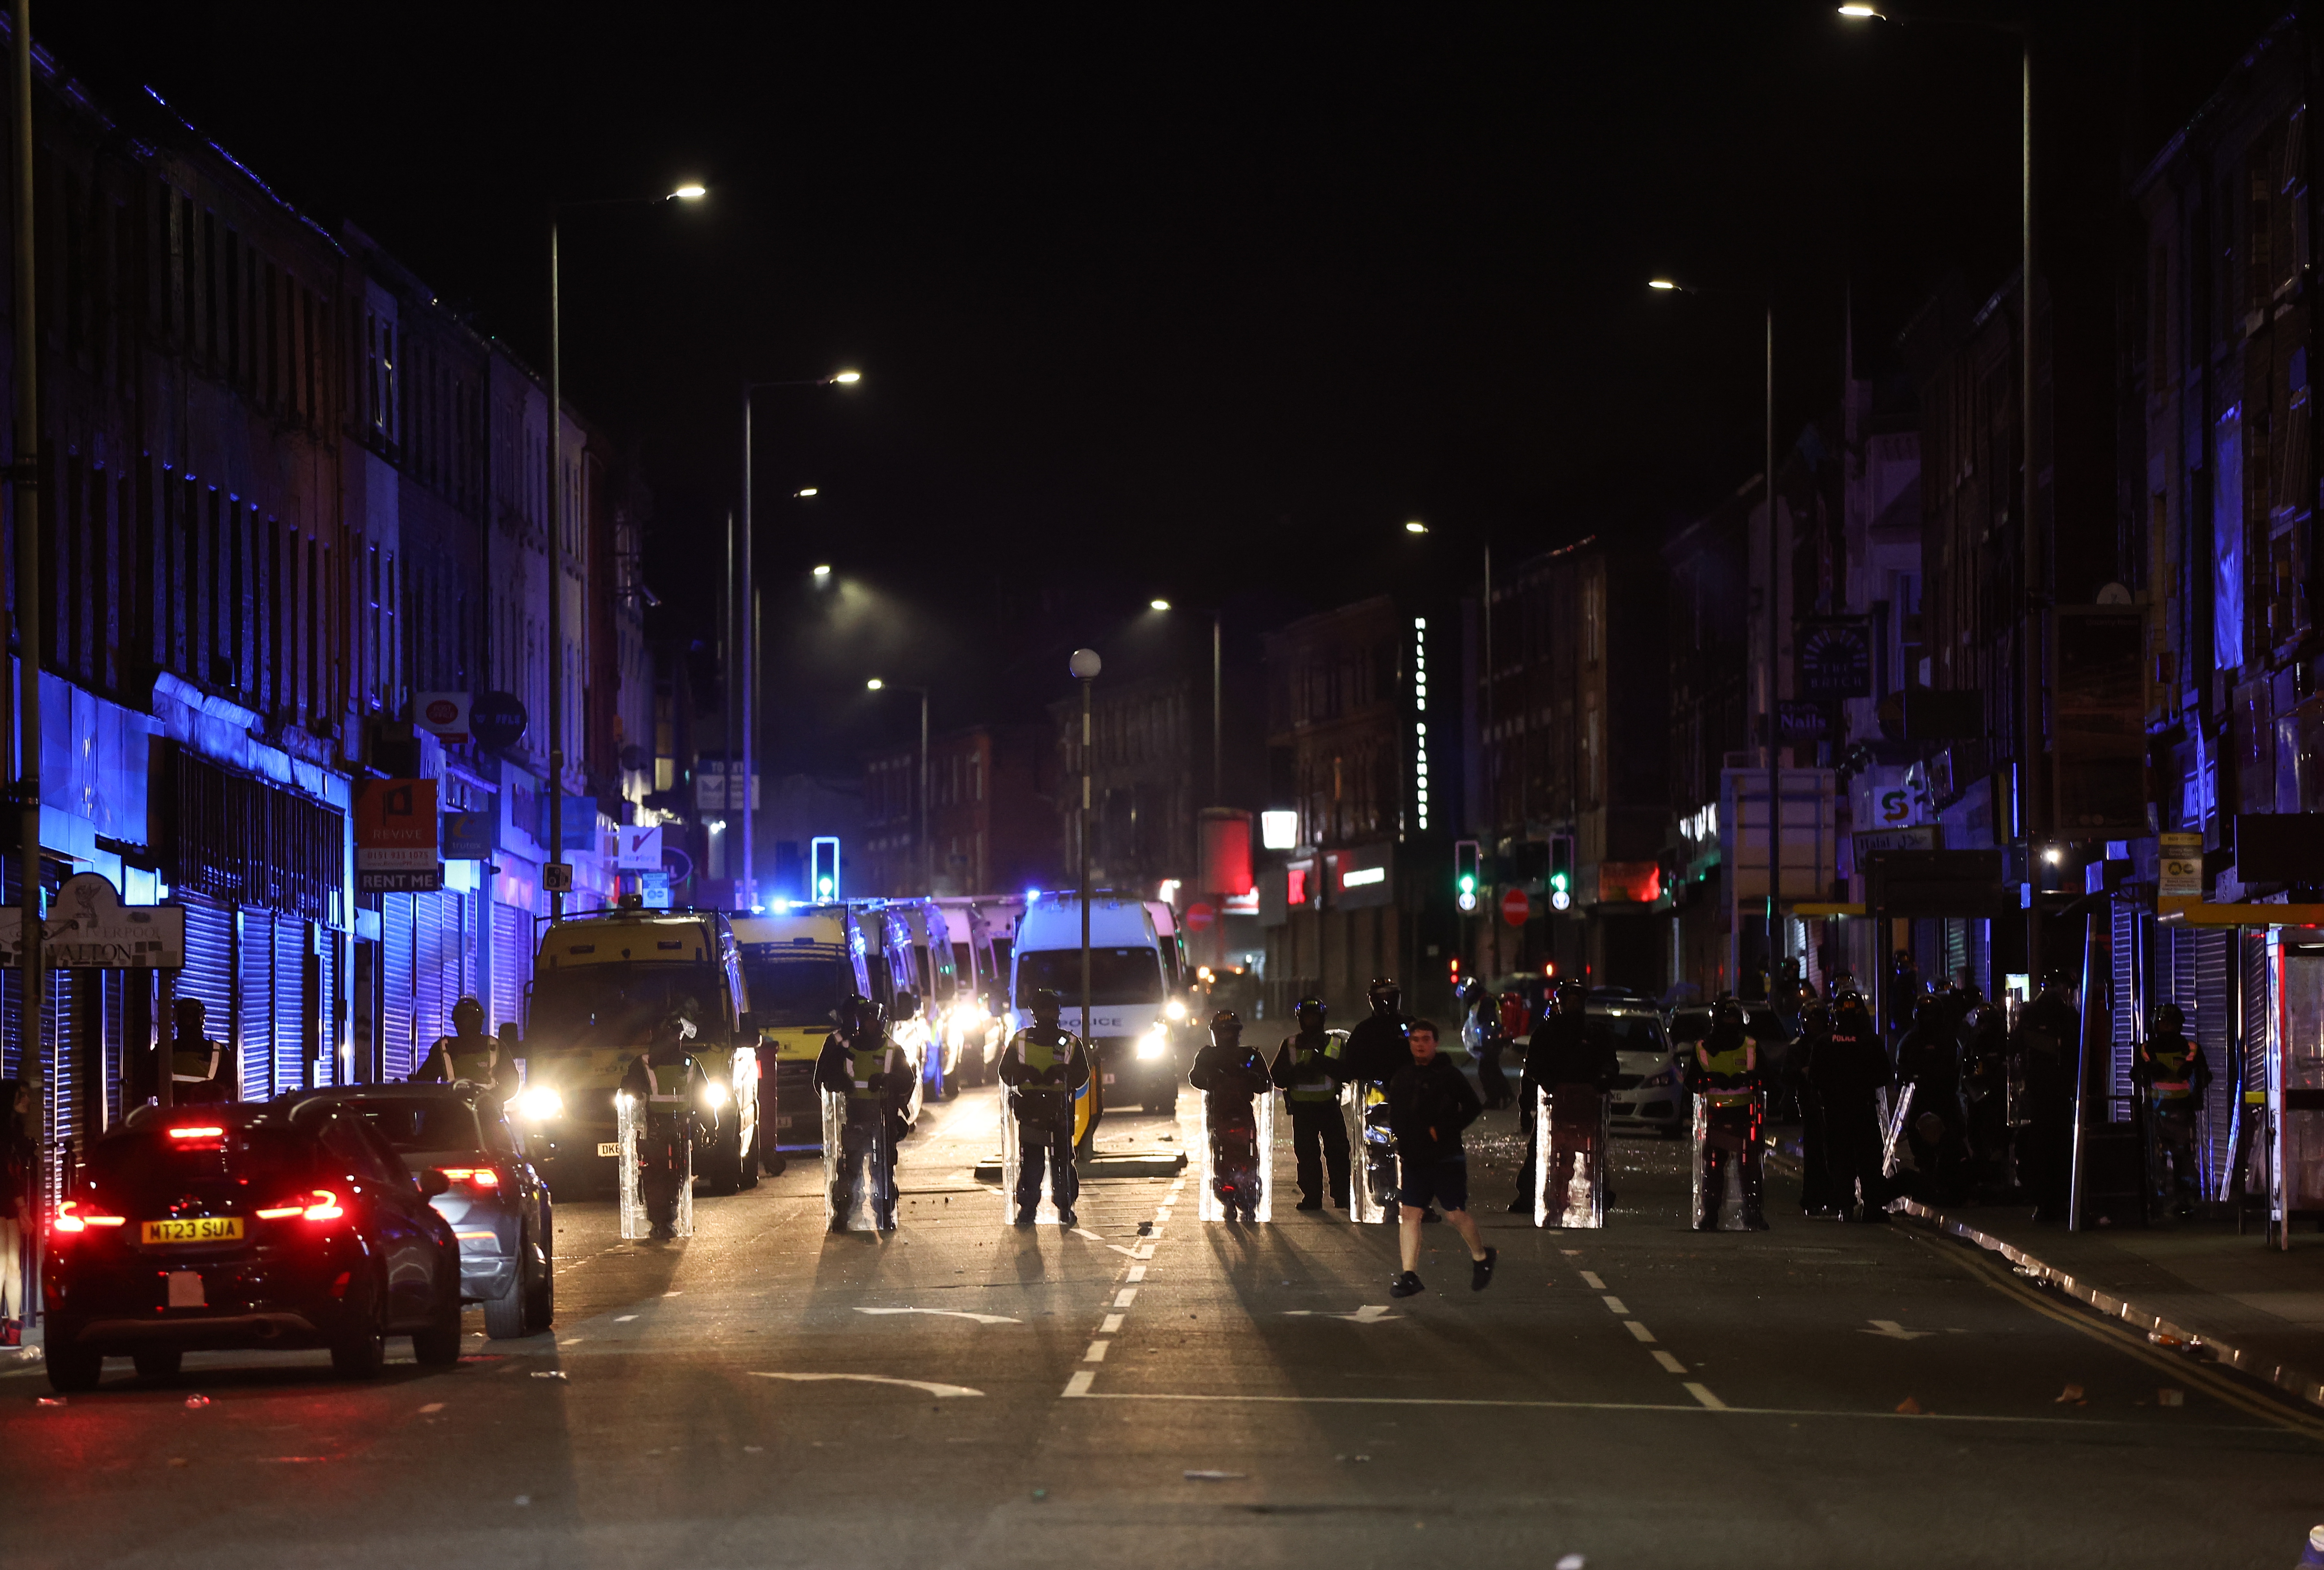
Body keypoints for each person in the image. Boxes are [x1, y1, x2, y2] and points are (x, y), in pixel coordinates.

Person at [1386, 1019, 1495, 1296]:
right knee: (1409, 1213)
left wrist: (1442, 1130)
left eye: (1425, 1039)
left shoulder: (1449, 1075)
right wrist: (1402, 1141)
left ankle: (1482, 1257)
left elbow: (1472, 1106)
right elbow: (1397, 1112)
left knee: (1455, 1214)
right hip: (1414, 1158)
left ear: (1435, 1042)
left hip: (1445, 1157)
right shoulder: (1403, 1075)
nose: (1420, 1044)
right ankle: (1409, 1275)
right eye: (1415, 1039)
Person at [1513, 979, 1615, 1216]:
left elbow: (1610, 1064)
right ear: (1559, 1002)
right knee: (1543, 1152)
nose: (1572, 1004)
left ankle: (1599, 1195)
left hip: (1587, 1106)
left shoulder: (1596, 1033)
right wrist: (1528, 1106)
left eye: (1576, 1000)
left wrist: (1602, 1081)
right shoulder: (1547, 1032)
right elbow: (1532, 1070)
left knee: (1592, 1156)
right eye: (1568, 999)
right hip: (1555, 1105)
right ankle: (1531, 1195)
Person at [815, 994, 911, 1231]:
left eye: (874, 1022)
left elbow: (908, 1081)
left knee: (883, 1173)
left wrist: (890, 1081)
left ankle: (885, 1214)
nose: (870, 1027)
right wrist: (838, 1082)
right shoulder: (845, 1049)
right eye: (866, 1022)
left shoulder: (893, 1050)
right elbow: (823, 1079)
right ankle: (844, 1214)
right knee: (849, 1172)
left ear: (883, 1023)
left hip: (883, 1121)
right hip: (855, 1118)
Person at [996, 987, 1091, 1225]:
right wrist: (1025, 1074)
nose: (1048, 1015)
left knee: (1062, 1162)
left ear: (1058, 1013)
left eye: (1052, 1011)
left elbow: (1083, 1075)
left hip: (1059, 1111)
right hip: (1031, 1110)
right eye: (1043, 1010)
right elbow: (1005, 1072)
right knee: (1032, 1163)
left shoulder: (1070, 1042)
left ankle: (1065, 1207)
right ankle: (1028, 1210)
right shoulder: (1021, 1040)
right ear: (1034, 1012)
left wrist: (1063, 1072)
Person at [619, 1000, 712, 1240]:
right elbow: (704, 1097)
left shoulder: (645, 1063)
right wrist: (710, 1125)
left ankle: (662, 1222)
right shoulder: (689, 1063)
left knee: (657, 1176)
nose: (677, 1040)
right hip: (675, 1129)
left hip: (658, 1130)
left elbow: (627, 1088)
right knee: (672, 1177)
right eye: (675, 1035)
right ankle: (666, 1221)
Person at [1686, 995, 1768, 1230]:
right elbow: (1691, 1082)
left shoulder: (1751, 1046)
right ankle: (1711, 1214)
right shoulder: (1703, 1048)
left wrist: (1752, 1079)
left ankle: (1752, 1212)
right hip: (1715, 1116)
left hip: (1746, 1116)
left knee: (1750, 1166)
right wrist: (1710, 1080)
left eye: (1734, 1018)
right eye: (1727, 1018)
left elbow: (1769, 1079)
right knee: (1713, 1167)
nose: (1730, 1023)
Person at [1810, 988, 1892, 1223]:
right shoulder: (1870, 1041)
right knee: (1869, 1159)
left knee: (1839, 1159)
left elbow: (1815, 1078)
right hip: (1863, 1109)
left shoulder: (1825, 1042)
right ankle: (1872, 1208)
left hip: (1835, 1111)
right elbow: (1884, 1075)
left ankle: (1845, 1206)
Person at [1339, 977, 1411, 1220]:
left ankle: (1417, 1203)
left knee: (1413, 1153)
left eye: (1390, 997)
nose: (1387, 1003)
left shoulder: (1409, 1026)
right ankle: (1389, 1200)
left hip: (1409, 1099)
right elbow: (1352, 1068)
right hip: (1378, 1100)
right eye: (1382, 998)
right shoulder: (1364, 1031)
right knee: (1381, 1153)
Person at [1189, 1010, 1272, 1221]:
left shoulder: (1250, 1056)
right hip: (1218, 1118)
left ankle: (1249, 1202)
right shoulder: (1208, 1056)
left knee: (1250, 1160)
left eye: (1231, 1032)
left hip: (1244, 1117)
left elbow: (1266, 1083)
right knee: (1221, 1161)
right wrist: (1214, 1077)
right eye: (1222, 1032)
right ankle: (1228, 1201)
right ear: (1215, 1034)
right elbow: (1195, 1077)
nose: (1227, 1036)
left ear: (1238, 1033)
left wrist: (1250, 1077)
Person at [1270, 996, 1351, 1210]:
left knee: (1338, 1153)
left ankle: (1342, 1197)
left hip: (1329, 1108)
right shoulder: (1291, 1044)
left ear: (1323, 1018)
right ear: (1300, 1019)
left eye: (1315, 1017)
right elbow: (1276, 1078)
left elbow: (1348, 1073)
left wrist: (1321, 1063)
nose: (1311, 1021)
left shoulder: (1336, 1043)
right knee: (1307, 1156)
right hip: (1303, 1110)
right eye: (1307, 1017)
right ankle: (1313, 1198)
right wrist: (1295, 1074)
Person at [2135, 1002, 2211, 1217]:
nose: (2167, 1028)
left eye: (2171, 1024)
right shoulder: (2147, 1049)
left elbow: (2205, 1076)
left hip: (2182, 1113)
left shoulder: (2191, 1049)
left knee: (2184, 1158)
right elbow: (2136, 1075)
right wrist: (2149, 1071)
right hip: (2156, 1114)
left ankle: (2185, 1201)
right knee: (2155, 1159)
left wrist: (2193, 1074)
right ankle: (2158, 1201)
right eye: (2163, 1023)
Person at [2016, 970, 2080, 1223]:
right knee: (2059, 1147)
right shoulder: (2067, 1016)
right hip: (2058, 1093)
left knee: (2043, 1147)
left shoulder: (2033, 1015)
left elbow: (2015, 1046)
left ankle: (2046, 1203)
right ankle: (2058, 1200)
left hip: (2041, 1093)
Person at [1894, 992, 1968, 1202]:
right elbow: (1901, 1071)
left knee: (1949, 1136)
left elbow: (1956, 1068)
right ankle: (1927, 1172)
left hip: (1943, 1098)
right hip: (1920, 1098)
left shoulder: (1948, 1040)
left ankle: (1946, 1177)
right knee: (1920, 1139)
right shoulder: (1910, 1040)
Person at [416, 996, 509, 1097]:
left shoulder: (442, 1048)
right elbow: (511, 1085)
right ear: (481, 1021)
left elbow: (423, 1085)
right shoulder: (496, 1046)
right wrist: (493, 1100)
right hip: (488, 1111)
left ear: (456, 1023)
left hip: (451, 1111)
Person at [0, 1080, 29, 1346]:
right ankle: (11, 1327)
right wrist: (22, 1206)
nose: (27, 1101)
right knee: (3, 1264)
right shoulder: (6, 1133)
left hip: (10, 1203)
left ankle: (13, 1326)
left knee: (13, 1267)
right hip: (4, 1201)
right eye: (22, 1096)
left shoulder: (15, 1130)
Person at [169, 996, 235, 1105]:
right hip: (208, 1117)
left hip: (172, 1116)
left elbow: (145, 1086)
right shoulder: (219, 1051)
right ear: (202, 1019)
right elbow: (230, 1090)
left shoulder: (164, 1052)